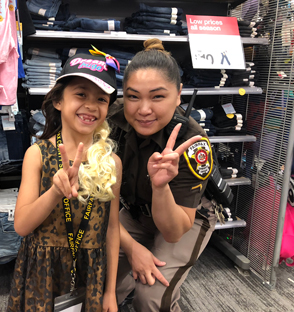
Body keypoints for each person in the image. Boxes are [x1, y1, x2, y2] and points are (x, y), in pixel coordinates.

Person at [7, 50, 123, 312]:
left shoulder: (111, 163)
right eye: (81, 94)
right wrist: (54, 193)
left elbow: (112, 229)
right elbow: (22, 226)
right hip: (41, 272)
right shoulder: (37, 154)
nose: (91, 105)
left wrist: (110, 292)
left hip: (90, 273)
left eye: (101, 99)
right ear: (58, 100)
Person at [108, 38, 217, 312]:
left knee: (151, 297)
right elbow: (102, 207)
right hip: (133, 213)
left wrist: (160, 188)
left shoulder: (192, 142)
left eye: (158, 96)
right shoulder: (114, 120)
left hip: (184, 220)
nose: (143, 110)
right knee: (97, 282)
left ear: (179, 94)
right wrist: (134, 249)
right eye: (133, 96)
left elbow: (173, 232)